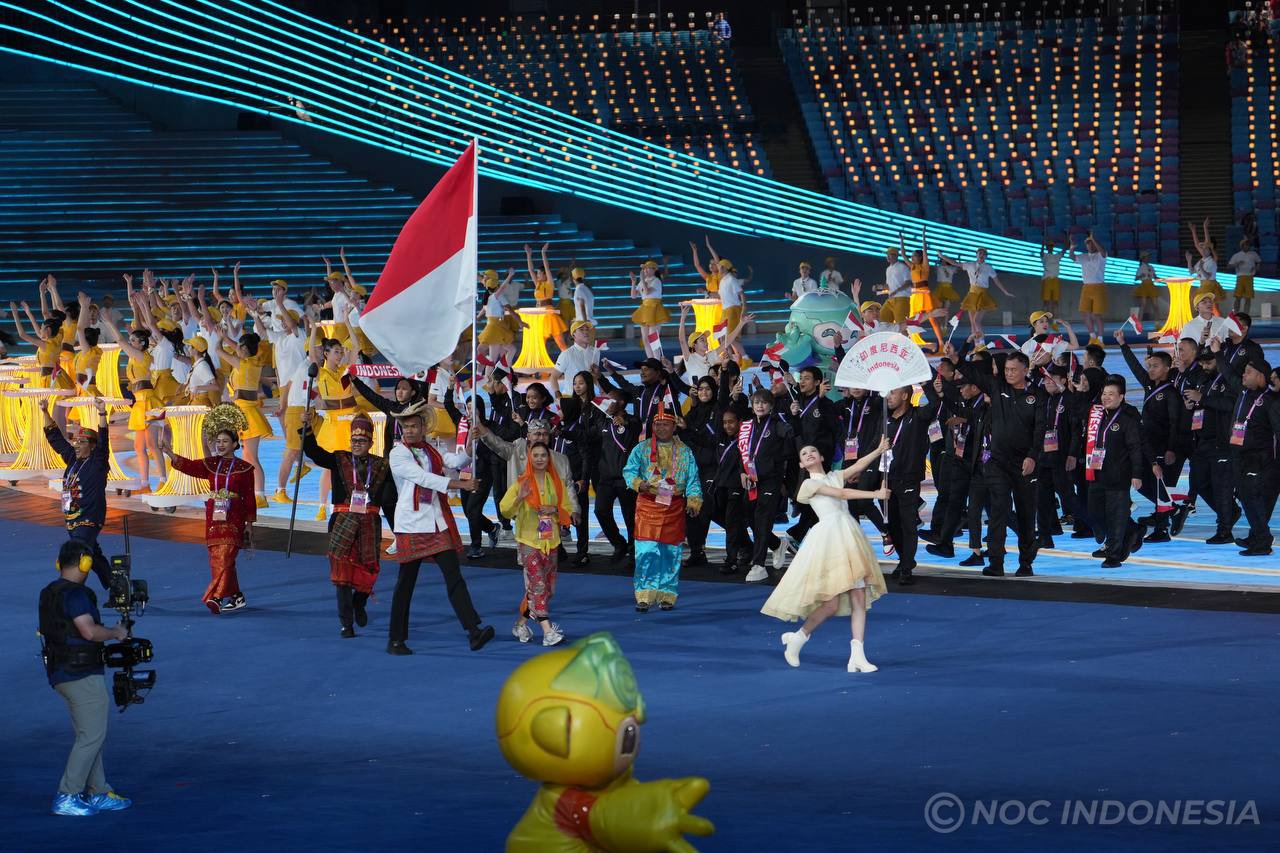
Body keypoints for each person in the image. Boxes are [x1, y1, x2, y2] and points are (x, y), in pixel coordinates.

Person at [763, 440, 890, 672]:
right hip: (830, 541)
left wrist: (879, 450)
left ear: (822, 457)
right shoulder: (808, 485)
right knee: (830, 605)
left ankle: (857, 656)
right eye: (804, 454)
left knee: (859, 596)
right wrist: (876, 493)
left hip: (849, 536)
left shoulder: (836, 474)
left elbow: (859, 465)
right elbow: (841, 493)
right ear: (802, 464)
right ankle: (798, 637)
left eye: (813, 451)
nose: (809, 454)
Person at [385, 401, 495, 654]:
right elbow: (423, 478)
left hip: (435, 523)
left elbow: (455, 460)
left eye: (414, 426)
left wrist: (470, 445)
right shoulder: (398, 453)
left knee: (454, 576)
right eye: (405, 427)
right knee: (405, 584)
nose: (410, 431)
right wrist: (460, 486)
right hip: (412, 525)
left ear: (423, 427)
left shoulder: (431, 449)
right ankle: (395, 639)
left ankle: (473, 631)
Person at [40, 539, 132, 817]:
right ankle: (67, 795)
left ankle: (99, 791)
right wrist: (116, 633)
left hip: (61, 672)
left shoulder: (48, 592)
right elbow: (89, 632)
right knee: (91, 736)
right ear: (85, 562)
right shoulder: (77, 594)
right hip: (81, 673)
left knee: (89, 734)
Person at [956, 350, 1045, 577]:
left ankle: (1026, 562)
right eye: (1006, 370)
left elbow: (1039, 430)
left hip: (1025, 464)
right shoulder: (997, 387)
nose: (1009, 373)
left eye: (1014, 370)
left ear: (1026, 370)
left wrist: (1032, 456)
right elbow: (974, 375)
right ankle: (996, 561)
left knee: (1026, 513)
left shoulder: (1036, 395)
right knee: (998, 510)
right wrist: (957, 359)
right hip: (997, 462)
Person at [302, 414, 392, 637]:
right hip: (343, 523)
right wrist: (307, 429)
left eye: (362, 441)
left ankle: (359, 602)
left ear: (371, 443)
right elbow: (314, 453)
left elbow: (390, 499)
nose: (357, 445)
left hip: (370, 524)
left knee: (370, 571)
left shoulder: (381, 465)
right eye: (354, 441)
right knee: (342, 575)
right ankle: (346, 623)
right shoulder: (339, 459)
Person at [158, 409, 256, 613]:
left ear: (235, 444)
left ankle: (216, 597)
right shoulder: (211, 465)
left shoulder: (245, 468)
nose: (220, 445)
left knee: (225, 556)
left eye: (225, 441)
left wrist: (250, 525)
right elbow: (188, 466)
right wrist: (168, 452)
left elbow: (249, 498)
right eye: (218, 441)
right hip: (214, 517)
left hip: (234, 516)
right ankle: (236, 597)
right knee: (217, 558)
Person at [623, 404, 702, 611]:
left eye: (665, 424)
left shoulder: (685, 452)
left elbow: (693, 479)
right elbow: (629, 471)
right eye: (657, 424)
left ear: (674, 426)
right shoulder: (641, 449)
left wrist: (694, 500)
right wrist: (639, 483)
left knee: (671, 553)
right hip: (648, 505)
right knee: (646, 552)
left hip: (674, 507)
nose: (661, 428)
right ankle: (644, 594)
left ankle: (667, 594)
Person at [1205, 340, 1280, 556]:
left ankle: (1262, 542)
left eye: (1248, 372)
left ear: (1260, 376)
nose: (1243, 375)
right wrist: (1218, 353)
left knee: (1254, 500)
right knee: (1248, 500)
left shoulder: (1270, 401)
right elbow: (1228, 374)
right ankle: (1257, 536)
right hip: (1239, 455)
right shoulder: (1243, 392)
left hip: (1258, 459)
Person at [500, 442, 576, 646]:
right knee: (539, 585)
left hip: (550, 541)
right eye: (536, 455)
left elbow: (566, 510)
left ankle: (520, 624)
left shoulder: (557, 482)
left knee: (545, 589)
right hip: (528, 541)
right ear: (529, 458)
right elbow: (505, 510)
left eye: (544, 455)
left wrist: (554, 511)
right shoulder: (521, 482)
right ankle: (548, 631)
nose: (540, 458)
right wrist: (519, 498)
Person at [1115, 328, 1182, 543]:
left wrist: (1171, 448)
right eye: (1150, 366)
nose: (1150, 370)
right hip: (1149, 445)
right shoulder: (1149, 386)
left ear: (1167, 367)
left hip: (1164, 447)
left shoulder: (1171, 392)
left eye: (1155, 366)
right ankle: (1171, 508)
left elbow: (1174, 423)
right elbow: (1135, 367)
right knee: (1147, 483)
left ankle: (1162, 528)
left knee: (1159, 486)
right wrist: (1123, 345)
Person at [43, 398, 112, 589]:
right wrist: (45, 412)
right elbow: (56, 440)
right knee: (94, 556)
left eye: (81, 442)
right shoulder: (73, 460)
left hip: (89, 519)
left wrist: (102, 414)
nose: (76, 445)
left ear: (91, 445)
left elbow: (104, 440)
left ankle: (71, 588)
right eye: (75, 441)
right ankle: (115, 587)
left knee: (78, 552)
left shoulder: (97, 462)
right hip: (72, 519)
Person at [1082, 375, 1147, 567]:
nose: (1106, 397)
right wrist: (1080, 392)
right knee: (1095, 512)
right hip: (1096, 472)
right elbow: (1077, 412)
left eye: (1111, 394)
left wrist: (1137, 473)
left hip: (1118, 475)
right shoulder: (1097, 416)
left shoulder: (1127, 419)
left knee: (1116, 516)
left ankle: (1114, 554)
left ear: (1121, 397)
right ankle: (1132, 531)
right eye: (1104, 393)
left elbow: (1136, 448)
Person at [740, 389, 795, 583]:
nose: (760, 406)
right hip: (752, 479)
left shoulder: (778, 426)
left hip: (771, 479)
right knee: (751, 518)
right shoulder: (747, 426)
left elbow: (790, 449)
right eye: (757, 402)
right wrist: (743, 472)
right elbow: (743, 452)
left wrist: (779, 472)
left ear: (771, 406)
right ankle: (777, 544)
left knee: (763, 519)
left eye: (764, 403)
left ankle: (759, 564)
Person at [1072, 233, 1109, 346]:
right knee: (1085, 314)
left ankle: (1101, 340)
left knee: (1097, 315)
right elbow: (1072, 257)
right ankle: (1092, 337)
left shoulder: (1101, 256)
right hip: (1086, 287)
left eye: (1091, 243)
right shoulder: (1083, 256)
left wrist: (1094, 238)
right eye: (1088, 244)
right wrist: (1072, 248)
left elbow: (1102, 251)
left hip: (1098, 287)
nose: (1090, 245)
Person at [1227, 239, 1261, 315]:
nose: (1247, 246)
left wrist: (1256, 267)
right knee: (1238, 297)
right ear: (1242, 246)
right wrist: (1237, 264)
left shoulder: (1253, 254)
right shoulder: (1237, 255)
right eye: (1245, 245)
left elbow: (1259, 262)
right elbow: (1229, 265)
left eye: (1248, 245)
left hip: (1249, 277)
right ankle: (1236, 314)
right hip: (1240, 277)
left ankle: (1246, 314)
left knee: (1248, 298)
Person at [1133, 252, 1159, 322]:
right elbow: (1136, 278)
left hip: (1151, 285)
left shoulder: (1151, 267)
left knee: (1155, 306)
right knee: (1143, 305)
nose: (1148, 258)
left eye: (1148, 256)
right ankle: (1139, 323)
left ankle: (1157, 323)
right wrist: (1141, 276)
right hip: (1144, 286)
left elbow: (1155, 277)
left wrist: (1162, 279)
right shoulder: (1141, 268)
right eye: (1147, 256)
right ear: (1143, 258)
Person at [1041, 239, 1065, 315]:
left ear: (1053, 247)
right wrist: (1042, 244)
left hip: (1055, 280)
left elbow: (1064, 250)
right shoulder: (1045, 255)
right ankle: (1045, 318)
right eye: (1049, 246)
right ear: (1046, 247)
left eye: (1051, 246)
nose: (1050, 247)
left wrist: (1068, 238)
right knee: (1046, 301)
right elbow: (1041, 253)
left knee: (1056, 301)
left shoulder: (1057, 256)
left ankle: (1055, 319)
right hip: (1047, 280)